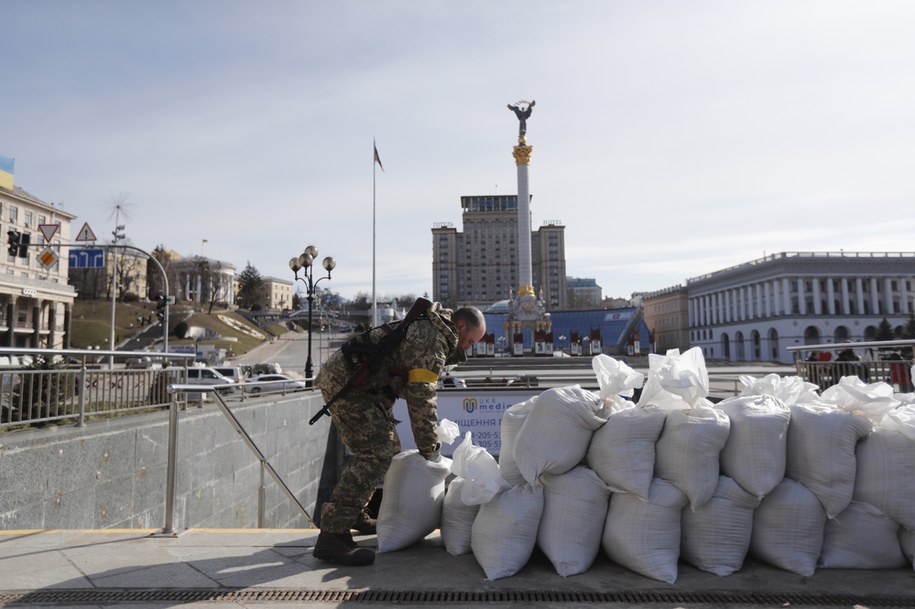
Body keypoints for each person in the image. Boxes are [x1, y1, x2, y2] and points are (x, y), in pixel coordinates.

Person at [312, 303, 486, 566]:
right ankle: (333, 535)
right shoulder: (432, 338)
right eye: (470, 340)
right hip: (349, 383)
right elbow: (421, 396)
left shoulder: (434, 330)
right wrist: (431, 449)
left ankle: (354, 512)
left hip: (363, 386)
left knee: (388, 448)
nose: (468, 347)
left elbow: (406, 380)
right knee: (375, 454)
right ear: (460, 327)